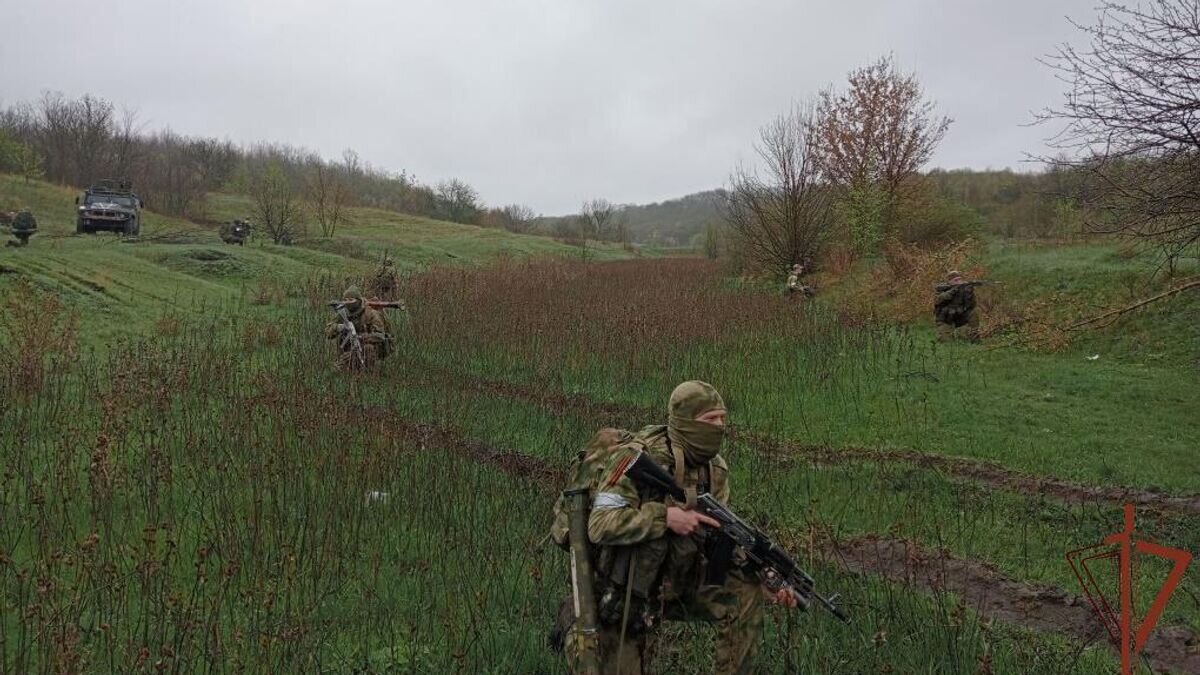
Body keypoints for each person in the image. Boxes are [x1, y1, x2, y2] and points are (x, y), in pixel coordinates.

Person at [558, 381, 793, 675]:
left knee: (743, 593)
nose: (719, 427)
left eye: (722, 418)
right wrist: (665, 517)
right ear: (684, 421)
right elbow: (600, 524)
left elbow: (717, 538)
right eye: (710, 420)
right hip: (622, 593)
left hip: (674, 581)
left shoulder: (714, 470)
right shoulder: (634, 459)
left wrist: (764, 576)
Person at [326, 285, 393, 368]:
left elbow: (380, 336)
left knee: (368, 349)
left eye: (351, 300)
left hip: (368, 347)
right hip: (349, 347)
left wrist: (360, 337)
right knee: (341, 368)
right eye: (345, 300)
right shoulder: (343, 313)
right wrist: (339, 327)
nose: (348, 303)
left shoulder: (371, 314)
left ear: (358, 300)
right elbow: (328, 332)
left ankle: (367, 372)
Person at [933, 270, 980, 341]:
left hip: (960, 317)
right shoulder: (942, 289)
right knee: (946, 342)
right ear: (949, 282)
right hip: (945, 318)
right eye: (956, 280)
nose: (959, 282)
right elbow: (939, 299)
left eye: (960, 279)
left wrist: (969, 293)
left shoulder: (964, 289)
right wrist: (953, 291)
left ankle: (974, 336)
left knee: (973, 313)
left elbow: (971, 305)